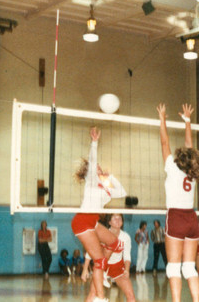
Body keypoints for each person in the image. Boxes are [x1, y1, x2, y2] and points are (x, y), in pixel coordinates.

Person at [158, 102, 199, 302]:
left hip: (176, 217)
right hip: (192, 218)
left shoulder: (171, 166)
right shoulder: (193, 172)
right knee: (189, 266)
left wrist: (162, 119)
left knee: (173, 266)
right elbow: (190, 146)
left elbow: (164, 143)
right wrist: (187, 120)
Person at [72, 127, 127, 302]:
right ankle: (101, 297)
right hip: (82, 222)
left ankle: (100, 272)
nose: (98, 167)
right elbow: (93, 159)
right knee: (100, 261)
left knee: (116, 244)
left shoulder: (106, 188)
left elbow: (122, 192)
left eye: (99, 167)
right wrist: (94, 142)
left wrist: (109, 177)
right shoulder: (90, 182)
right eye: (96, 168)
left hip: (92, 221)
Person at [82, 213, 136, 302]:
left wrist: (126, 270)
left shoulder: (125, 237)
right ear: (109, 222)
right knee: (92, 294)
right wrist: (85, 269)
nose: (118, 220)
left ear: (122, 222)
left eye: (120, 218)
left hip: (117, 267)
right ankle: (102, 275)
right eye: (115, 218)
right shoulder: (103, 233)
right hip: (102, 266)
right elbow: (90, 251)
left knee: (131, 296)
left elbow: (127, 256)